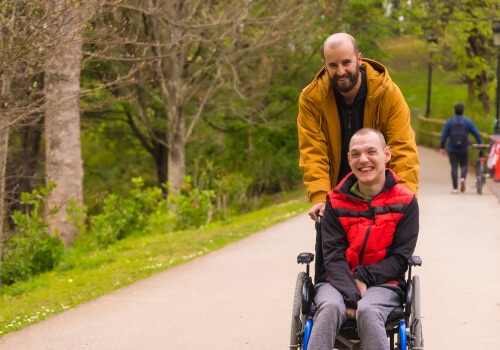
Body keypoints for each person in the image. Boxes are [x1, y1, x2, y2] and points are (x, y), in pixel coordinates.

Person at [308, 128, 419, 350]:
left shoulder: (406, 202)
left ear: (386, 155)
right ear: (349, 159)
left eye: (371, 151)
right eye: (356, 154)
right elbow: (332, 255)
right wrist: (351, 294)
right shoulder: (335, 202)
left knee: (369, 310)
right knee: (329, 307)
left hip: (384, 283)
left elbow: (399, 258)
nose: (364, 160)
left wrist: (363, 277)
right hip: (335, 282)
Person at [297, 32, 419, 221]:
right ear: (324, 65)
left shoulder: (388, 94)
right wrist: (320, 197)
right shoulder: (312, 100)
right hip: (337, 200)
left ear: (359, 59)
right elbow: (313, 153)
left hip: (380, 195)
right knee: (330, 250)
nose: (340, 71)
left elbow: (402, 150)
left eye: (346, 63)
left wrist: (403, 199)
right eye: (333, 65)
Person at [439, 103, 482, 193]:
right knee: (464, 165)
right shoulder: (467, 122)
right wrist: (479, 143)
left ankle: (455, 189)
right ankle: (462, 178)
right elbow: (476, 133)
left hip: (452, 148)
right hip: (464, 147)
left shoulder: (450, 122)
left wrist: (442, 147)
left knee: (454, 167)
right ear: (463, 111)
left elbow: (444, 136)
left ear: (454, 111)